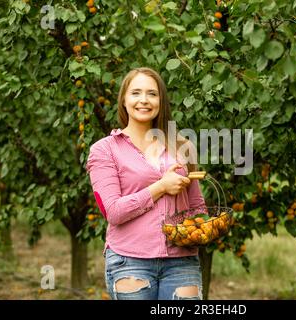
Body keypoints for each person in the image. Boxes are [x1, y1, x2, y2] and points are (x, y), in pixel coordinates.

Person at [86, 67, 206, 300]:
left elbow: (197, 206)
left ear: (161, 100)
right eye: (136, 93)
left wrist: (200, 228)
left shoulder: (182, 147)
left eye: (152, 93)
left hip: (182, 261)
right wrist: (161, 186)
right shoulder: (105, 150)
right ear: (123, 99)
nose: (144, 100)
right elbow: (114, 212)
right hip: (129, 260)